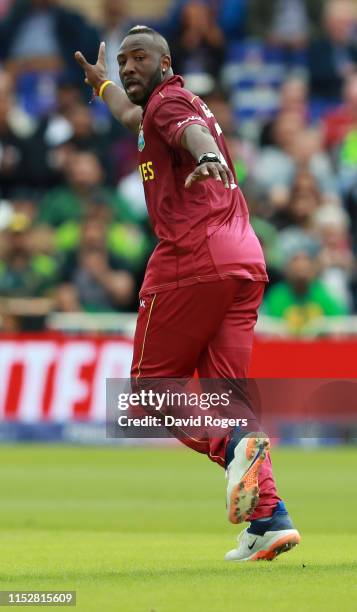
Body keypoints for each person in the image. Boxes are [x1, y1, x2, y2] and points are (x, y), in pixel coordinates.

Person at [75, 26, 301, 562]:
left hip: (191, 258)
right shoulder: (152, 108)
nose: (129, 67)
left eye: (139, 59)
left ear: (166, 61)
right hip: (243, 259)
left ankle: (229, 447)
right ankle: (269, 518)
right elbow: (135, 118)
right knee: (230, 401)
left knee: (151, 394)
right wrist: (105, 86)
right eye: (123, 60)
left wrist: (205, 156)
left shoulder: (170, 103)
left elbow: (189, 130)